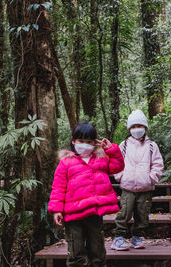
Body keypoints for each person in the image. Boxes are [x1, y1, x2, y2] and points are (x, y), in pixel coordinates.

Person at [48, 123, 125, 267]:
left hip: (94, 213)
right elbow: (58, 187)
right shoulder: (66, 162)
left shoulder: (100, 159)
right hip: (72, 215)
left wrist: (110, 149)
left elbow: (117, 167)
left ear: (95, 143)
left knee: (97, 248)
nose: (85, 145)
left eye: (89, 142)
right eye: (81, 141)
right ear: (73, 141)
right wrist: (56, 210)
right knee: (76, 250)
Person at [111, 109, 164, 251]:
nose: (136, 129)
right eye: (133, 127)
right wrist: (120, 176)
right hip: (127, 187)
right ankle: (119, 237)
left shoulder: (152, 146)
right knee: (125, 212)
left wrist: (151, 179)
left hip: (145, 188)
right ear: (129, 129)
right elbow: (117, 162)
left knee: (142, 214)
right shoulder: (124, 145)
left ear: (145, 127)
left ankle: (137, 237)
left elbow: (158, 165)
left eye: (139, 126)